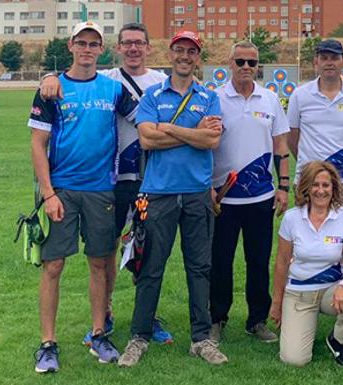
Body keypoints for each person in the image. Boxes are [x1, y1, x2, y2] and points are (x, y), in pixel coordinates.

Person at [39, 23, 173, 346]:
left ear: (148, 47)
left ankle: (146, 317)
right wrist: (48, 76)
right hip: (112, 182)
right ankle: (106, 314)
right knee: (107, 251)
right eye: (127, 43)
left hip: (150, 178)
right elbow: (70, 82)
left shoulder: (160, 81)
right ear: (116, 48)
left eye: (139, 43)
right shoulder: (109, 79)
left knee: (147, 250)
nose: (133, 49)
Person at [28, 21, 138, 372]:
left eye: (93, 44)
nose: (87, 49)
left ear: (100, 49)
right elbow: (37, 144)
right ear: (71, 46)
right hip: (61, 191)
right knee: (54, 265)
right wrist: (48, 194)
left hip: (101, 190)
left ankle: (98, 334)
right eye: (82, 43)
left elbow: (146, 119)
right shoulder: (52, 88)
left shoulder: (113, 89)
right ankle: (48, 344)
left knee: (99, 263)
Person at [117, 30, 227, 367]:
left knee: (199, 268)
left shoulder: (208, 96)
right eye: (178, 50)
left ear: (197, 57)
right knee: (150, 268)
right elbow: (147, 140)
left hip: (196, 194)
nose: (184, 56)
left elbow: (212, 141)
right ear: (171, 53)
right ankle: (139, 337)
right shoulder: (153, 94)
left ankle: (201, 339)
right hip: (158, 193)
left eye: (190, 51)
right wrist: (192, 134)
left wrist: (169, 128)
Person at [209, 41, 290, 343]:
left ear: (259, 66)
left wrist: (283, 186)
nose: (246, 67)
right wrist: (208, 188)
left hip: (260, 198)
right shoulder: (214, 99)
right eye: (240, 61)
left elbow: (280, 145)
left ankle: (257, 320)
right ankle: (217, 317)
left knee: (258, 261)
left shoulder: (270, 99)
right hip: (223, 199)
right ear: (229, 63)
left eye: (252, 63)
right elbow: (205, 148)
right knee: (220, 261)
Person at [269, 161, 343, 367]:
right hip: (299, 293)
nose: (320, 191)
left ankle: (339, 341)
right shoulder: (291, 218)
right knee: (294, 359)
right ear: (306, 187)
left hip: (332, 291)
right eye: (315, 185)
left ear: (334, 188)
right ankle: (303, 323)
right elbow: (282, 263)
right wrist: (277, 304)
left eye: (326, 185)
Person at [287, 39, 343, 211]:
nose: (329, 63)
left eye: (334, 58)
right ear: (316, 62)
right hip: (309, 179)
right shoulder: (300, 95)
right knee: (306, 234)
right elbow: (291, 138)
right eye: (324, 58)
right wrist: (312, 165)